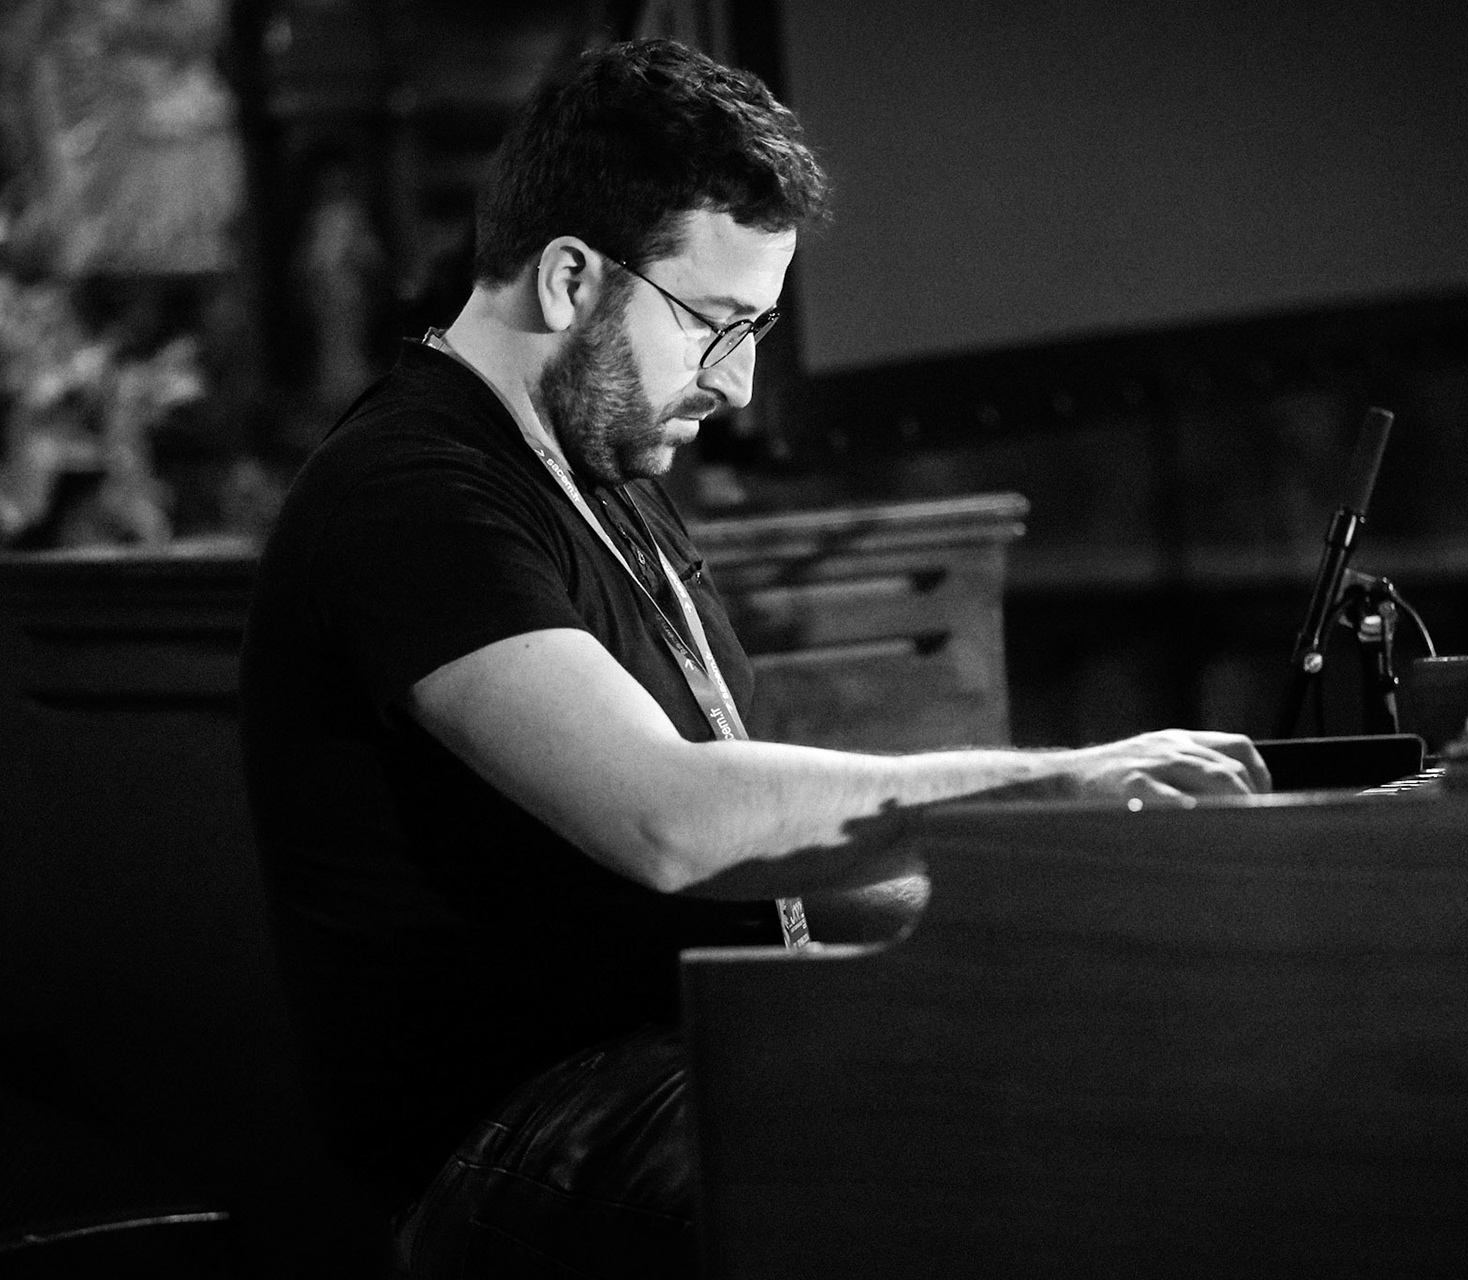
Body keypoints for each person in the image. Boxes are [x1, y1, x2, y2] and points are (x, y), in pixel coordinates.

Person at [238, 38, 1270, 1279]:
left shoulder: (605, 472)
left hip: (670, 1062)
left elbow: (773, 878)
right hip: (511, 1140)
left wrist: (1070, 894)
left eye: (760, 330)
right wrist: (1054, 784)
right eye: (715, 325)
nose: (736, 385)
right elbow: (669, 821)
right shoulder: (414, 493)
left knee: (1117, 1050)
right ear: (569, 277)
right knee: (983, 1147)